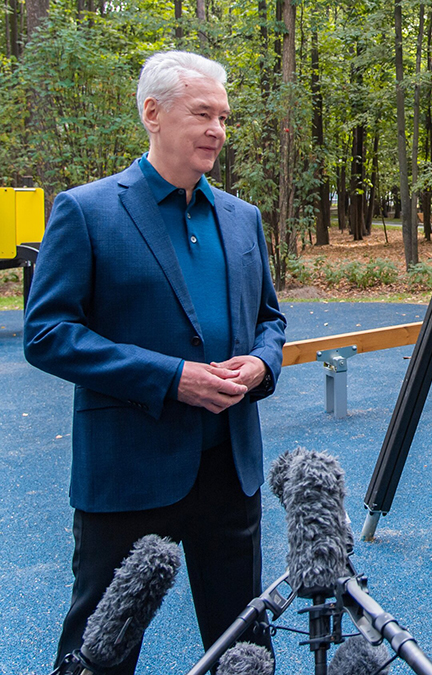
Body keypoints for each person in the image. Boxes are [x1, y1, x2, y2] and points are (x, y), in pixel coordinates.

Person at [23, 51, 286, 673]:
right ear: (152, 113)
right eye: (202, 114)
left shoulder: (243, 218)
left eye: (223, 117)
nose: (217, 130)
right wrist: (171, 379)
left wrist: (261, 366)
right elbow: (48, 332)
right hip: (129, 472)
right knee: (100, 650)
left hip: (230, 467)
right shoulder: (87, 211)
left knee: (242, 645)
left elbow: (269, 322)